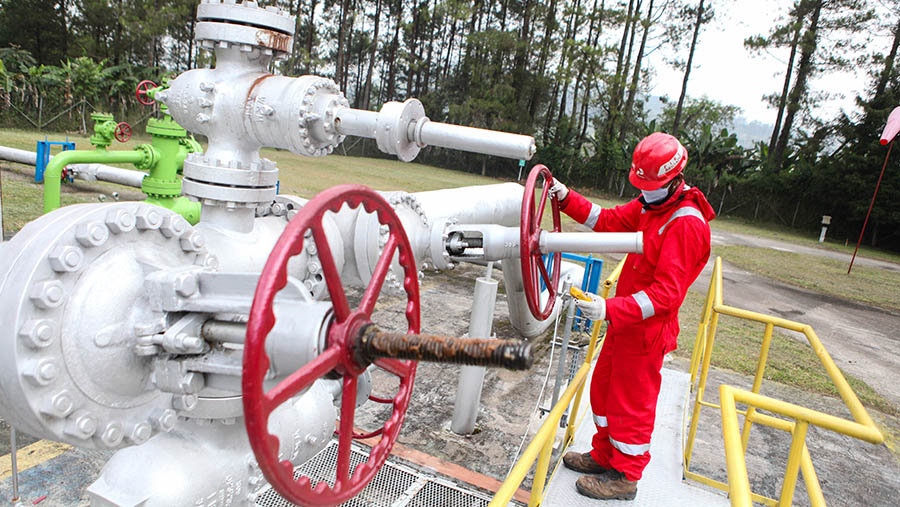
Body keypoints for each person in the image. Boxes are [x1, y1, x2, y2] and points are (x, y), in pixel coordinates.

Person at [549, 132, 715, 501]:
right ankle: (604, 456)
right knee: (605, 393)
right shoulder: (651, 205)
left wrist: (610, 307)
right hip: (624, 326)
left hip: (645, 333)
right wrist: (565, 197)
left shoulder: (685, 223)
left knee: (630, 405)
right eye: (641, 184)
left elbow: (667, 294)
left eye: (649, 185)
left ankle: (625, 477)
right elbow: (606, 220)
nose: (644, 191)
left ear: (674, 178)